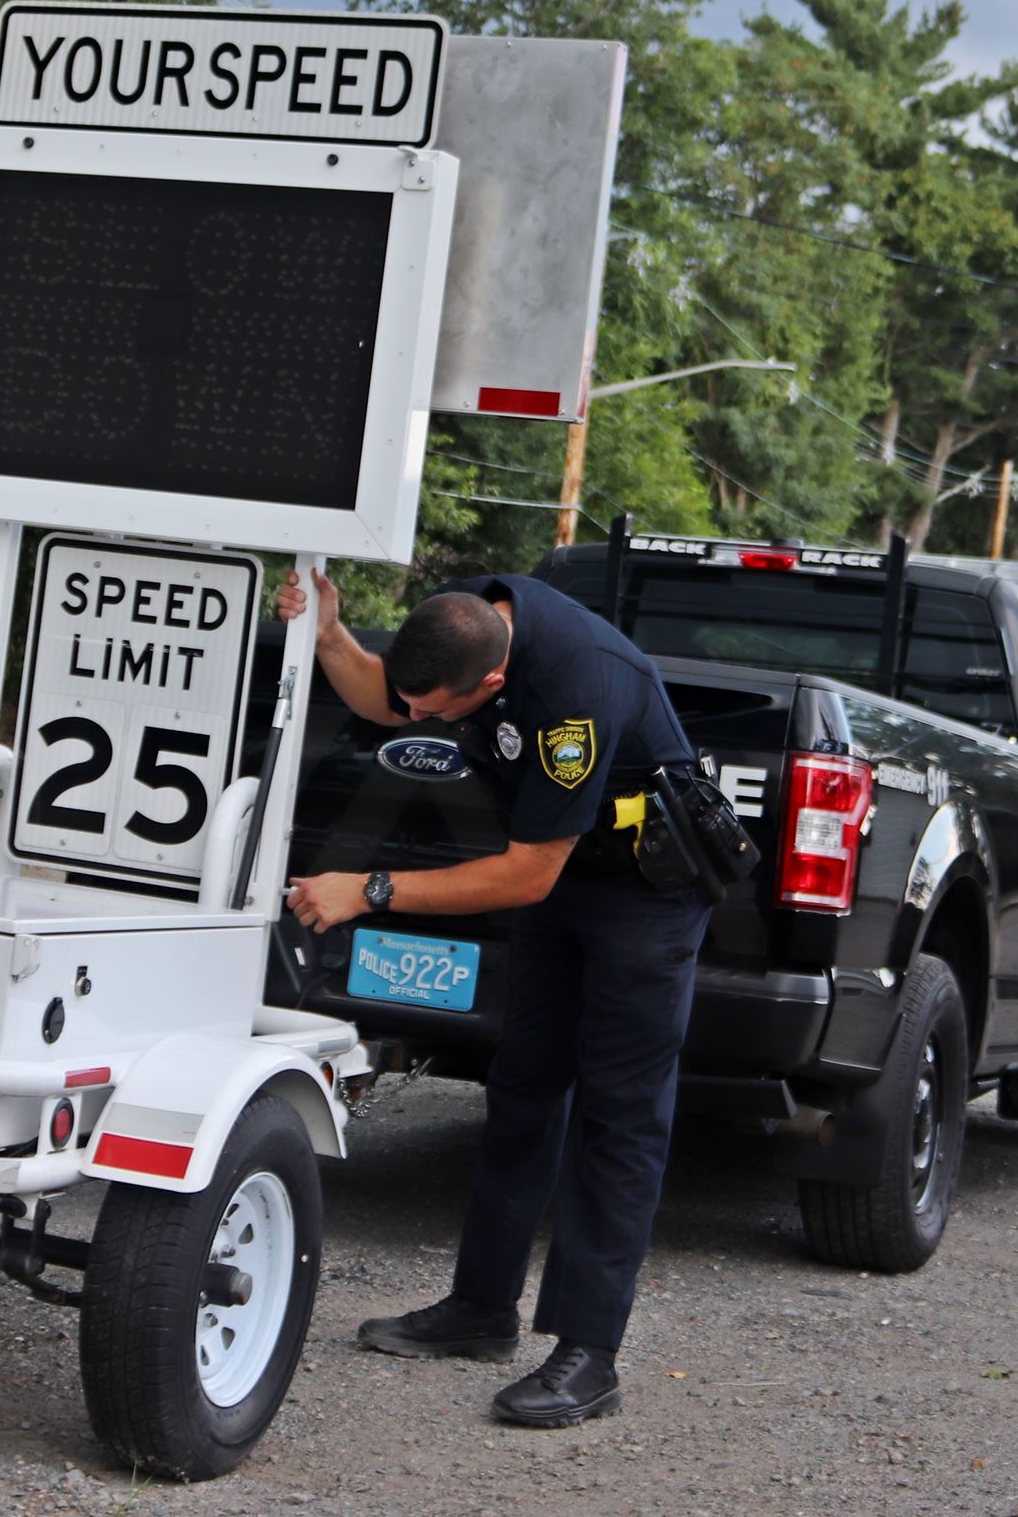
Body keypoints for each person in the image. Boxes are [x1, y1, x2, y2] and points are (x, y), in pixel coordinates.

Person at [276, 560, 706, 1429]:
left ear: (496, 683)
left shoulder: (578, 685)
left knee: (618, 1115)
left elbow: (525, 872)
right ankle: (481, 1308)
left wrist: (371, 889)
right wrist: (329, 635)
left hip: (644, 893)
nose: (418, 722)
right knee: (521, 1089)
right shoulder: (460, 623)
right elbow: (385, 694)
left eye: (438, 712)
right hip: (563, 875)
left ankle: (590, 1353)